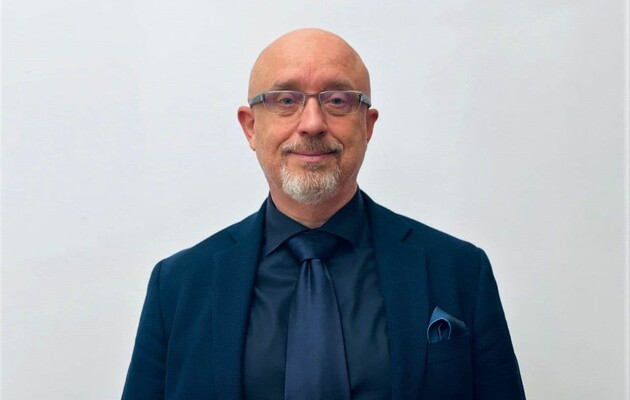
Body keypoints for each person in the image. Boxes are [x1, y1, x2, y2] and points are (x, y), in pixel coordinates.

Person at [122, 28, 525, 400]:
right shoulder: (177, 286)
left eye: (337, 101)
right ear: (250, 127)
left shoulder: (460, 271)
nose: (312, 124)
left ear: (367, 125)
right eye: (286, 100)